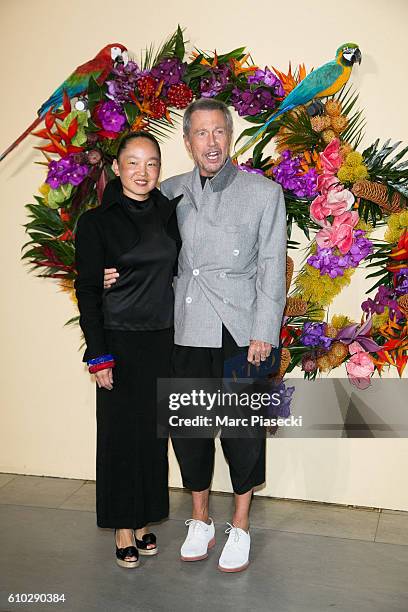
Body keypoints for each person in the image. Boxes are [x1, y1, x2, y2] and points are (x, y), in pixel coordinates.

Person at [104, 98, 287, 573]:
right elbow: (129, 234)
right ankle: (201, 519)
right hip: (184, 329)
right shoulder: (168, 191)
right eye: (201, 133)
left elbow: (271, 267)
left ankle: (241, 525)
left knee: (243, 434)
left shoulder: (263, 193)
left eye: (219, 132)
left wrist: (264, 331)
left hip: (244, 332)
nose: (211, 141)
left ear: (230, 137)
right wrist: (107, 271)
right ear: (187, 142)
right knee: (189, 432)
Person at [74, 132, 181, 569]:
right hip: (118, 341)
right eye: (133, 163)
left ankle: (143, 521)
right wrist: (98, 355)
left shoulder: (170, 214)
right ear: (116, 168)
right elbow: (86, 291)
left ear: (159, 169)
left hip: (162, 339)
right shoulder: (97, 222)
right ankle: (122, 526)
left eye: (151, 163)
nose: (142, 172)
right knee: (120, 437)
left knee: (153, 437)